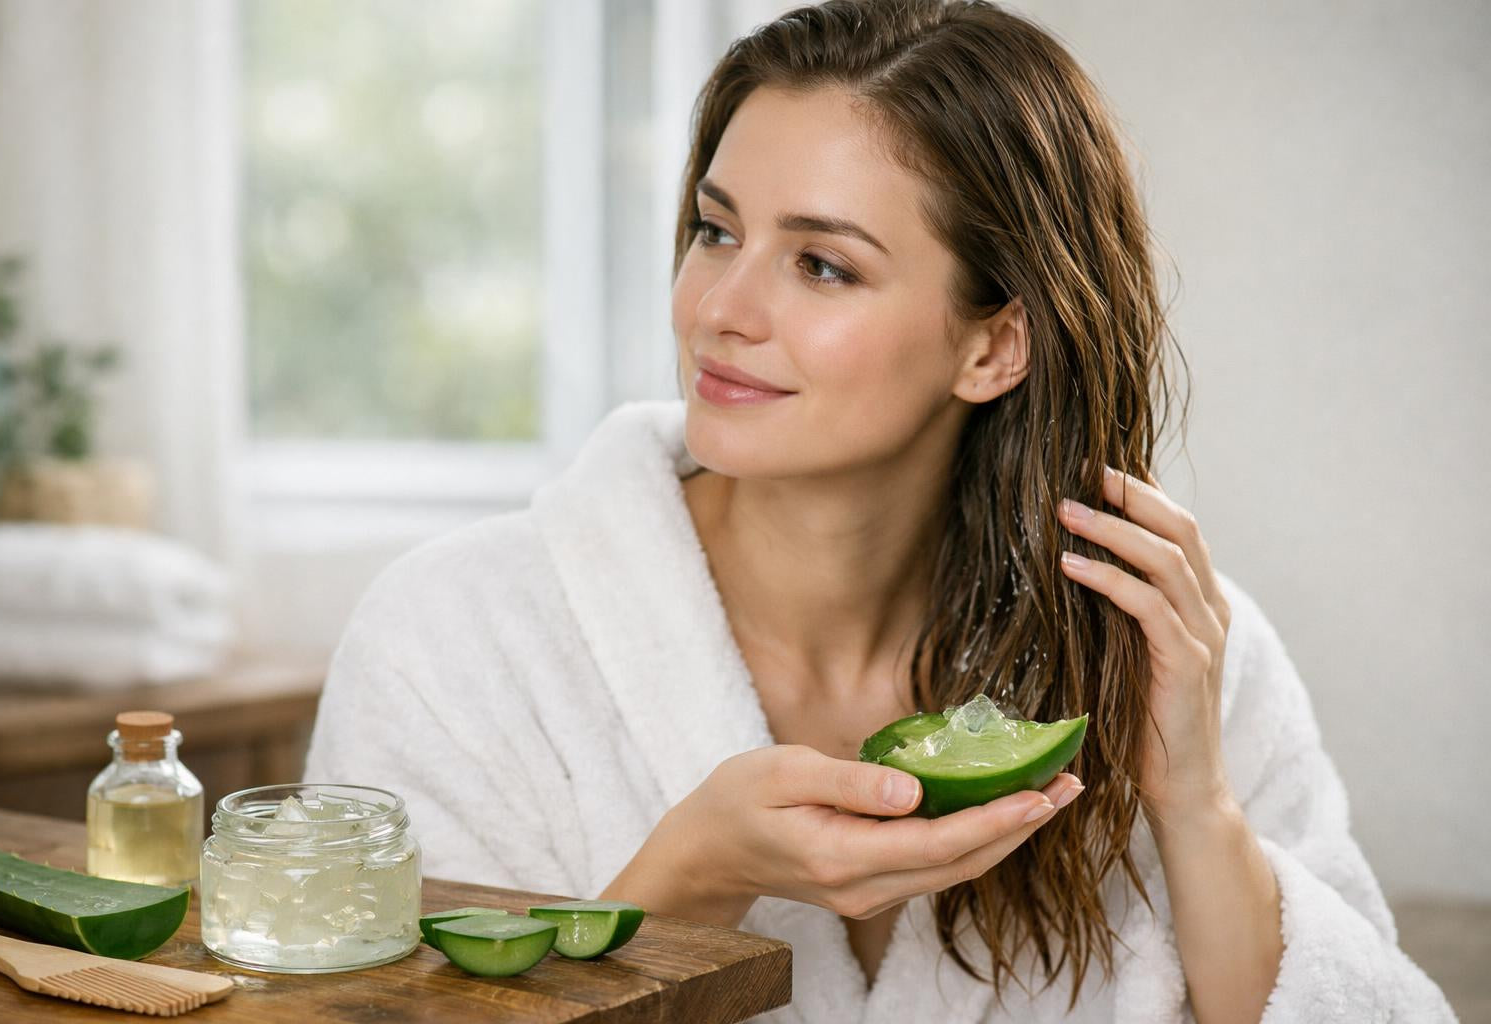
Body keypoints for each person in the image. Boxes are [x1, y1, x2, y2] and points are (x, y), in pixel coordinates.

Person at [303, 1, 1457, 1020]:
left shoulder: (1172, 655)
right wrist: (696, 876)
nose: (720, 308)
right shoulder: (454, 641)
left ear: (993, 345)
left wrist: (1195, 804)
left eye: (823, 266)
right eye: (717, 230)